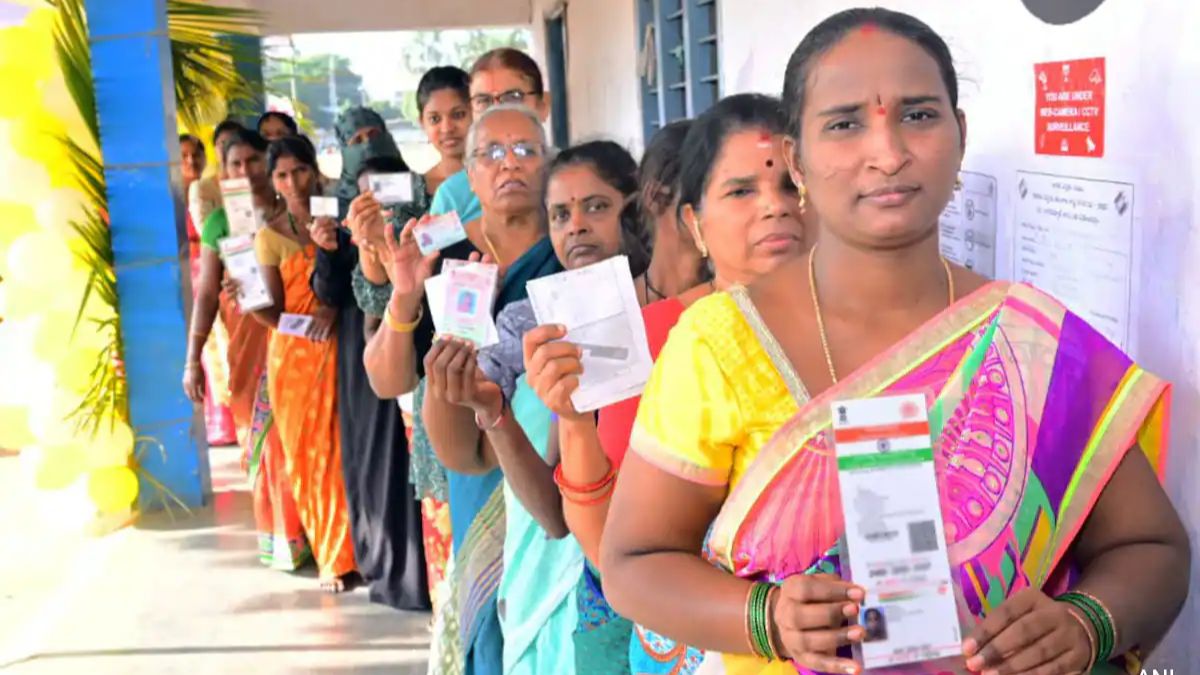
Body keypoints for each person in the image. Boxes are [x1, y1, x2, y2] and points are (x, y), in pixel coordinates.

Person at [601, 9, 1190, 675]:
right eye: (844, 123)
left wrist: (1085, 623)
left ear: (960, 135)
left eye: (918, 115)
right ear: (796, 158)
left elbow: (1152, 547)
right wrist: (766, 617)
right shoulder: (721, 345)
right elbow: (634, 562)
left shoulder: (1030, 341)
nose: (887, 153)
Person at [522, 95, 808, 673]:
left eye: (792, 186)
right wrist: (573, 420)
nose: (775, 207)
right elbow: (608, 548)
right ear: (695, 222)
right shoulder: (664, 335)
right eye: (742, 191)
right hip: (694, 645)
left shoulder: (869, 329)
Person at [424, 140, 650, 674]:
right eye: (560, 215)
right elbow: (548, 511)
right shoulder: (531, 324)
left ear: (637, 211)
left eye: (596, 207)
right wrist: (477, 392)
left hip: (653, 586)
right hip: (551, 590)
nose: (576, 227)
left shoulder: (673, 314)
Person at [385, 104, 560, 675]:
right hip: (473, 468)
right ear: (469, 173)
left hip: (556, 479)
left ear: (547, 162)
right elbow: (391, 382)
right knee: (490, 631)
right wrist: (407, 296)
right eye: (492, 153)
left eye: (525, 150)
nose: (509, 164)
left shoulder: (572, 252)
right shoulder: (447, 254)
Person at [308, 114, 431, 611]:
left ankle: (429, 568)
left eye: (371, 136)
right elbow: (331, 292)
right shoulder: (338, 209)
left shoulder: (422, 197)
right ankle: (389, 564)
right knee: (378, 452)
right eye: (354, 141)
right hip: (364, 348)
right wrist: (330, 249)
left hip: (421, 336)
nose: (365, 146)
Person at [185, 128, 309, 571]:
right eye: (234, 164)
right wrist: (192, 359)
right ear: (223, 173)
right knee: (267, 442)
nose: (246, 171)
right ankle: (284, 537)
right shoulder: (220, 222)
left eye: (254, 160)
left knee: (303, 437)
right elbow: (205, 294)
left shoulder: (295, 211)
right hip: (248, 344)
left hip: (302, 341)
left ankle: (321, 531)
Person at [242, 136, 358, 593]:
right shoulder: (268, 236)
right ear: (273, 181)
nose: (293, 183)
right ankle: (332, 555)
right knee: (311, 456)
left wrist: (331, 310)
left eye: (300, 171)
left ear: (315, 170)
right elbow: (266, 309)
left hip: (343, 343)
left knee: (345, 449)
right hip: (295, 356)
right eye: (282, 175)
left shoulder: (336, 215)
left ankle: (358, 548)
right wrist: (308, 321)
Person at [426, 48, 552, 239]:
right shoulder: (452, 196)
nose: (497, 110)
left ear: (543, 106)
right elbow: (430, 251)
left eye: (513, 97)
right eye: (483, 101)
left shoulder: (572, 176)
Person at [180, 133, 237, 447]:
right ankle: (221, 422)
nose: (191, 160)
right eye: (184, 155)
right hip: (204, 273)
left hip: (223, 271)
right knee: (213, 346)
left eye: (195, 154)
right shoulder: (197, 193)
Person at [188, 119, 243, 231]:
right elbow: (207, 232)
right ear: (215, 149)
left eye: (234, 142)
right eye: (223, 143)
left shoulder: (253, 184)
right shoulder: (201, 188)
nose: (228, 148)